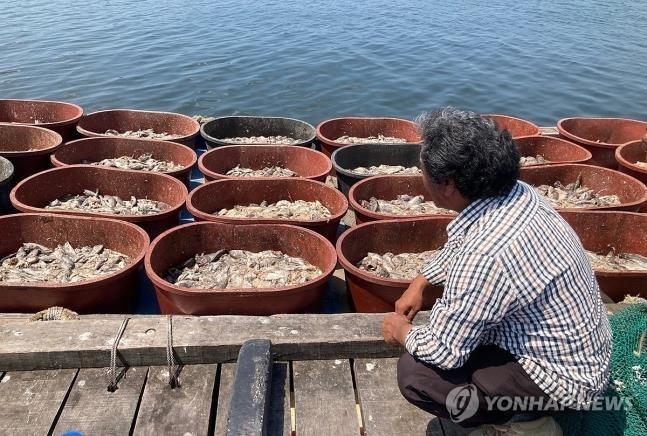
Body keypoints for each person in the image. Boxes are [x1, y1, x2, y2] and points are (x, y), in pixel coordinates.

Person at [381, 107, 611, 436]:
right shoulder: (518, 193)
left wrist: (400, 330)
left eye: (423, 171)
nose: (421, 177)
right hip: (582, 356)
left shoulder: (485, 255)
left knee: (416, 375)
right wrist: (422, 281)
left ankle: (526, 425)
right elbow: (463, 240)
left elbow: (443, 351)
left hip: (566, 384)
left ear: (446, 184)